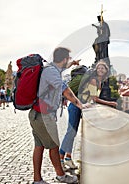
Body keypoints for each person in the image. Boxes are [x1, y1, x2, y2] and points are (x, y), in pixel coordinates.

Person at [28, 47, 85, 184]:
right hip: (43, 116)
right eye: (68, 59)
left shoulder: (51, 68)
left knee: (39, 147)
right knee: (54, 147)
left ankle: (37, 179)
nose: (68, 61)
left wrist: (73, 63)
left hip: (36, 114)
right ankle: (61, 175)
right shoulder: (52, 72)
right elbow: (66, 91)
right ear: (64, 59)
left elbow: (62, 69)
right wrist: (81, 105)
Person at [59, 60, 117, 171]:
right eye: (99, 68)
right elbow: (94, 99)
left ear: (106, 71)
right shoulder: (94, 81)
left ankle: (68, 158)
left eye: (103, 68)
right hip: (76, 106)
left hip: (80, 106)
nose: (100, 69)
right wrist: (111, 103)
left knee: (73, 133)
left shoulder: (99, 82)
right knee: (70, 132)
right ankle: (60, 159)